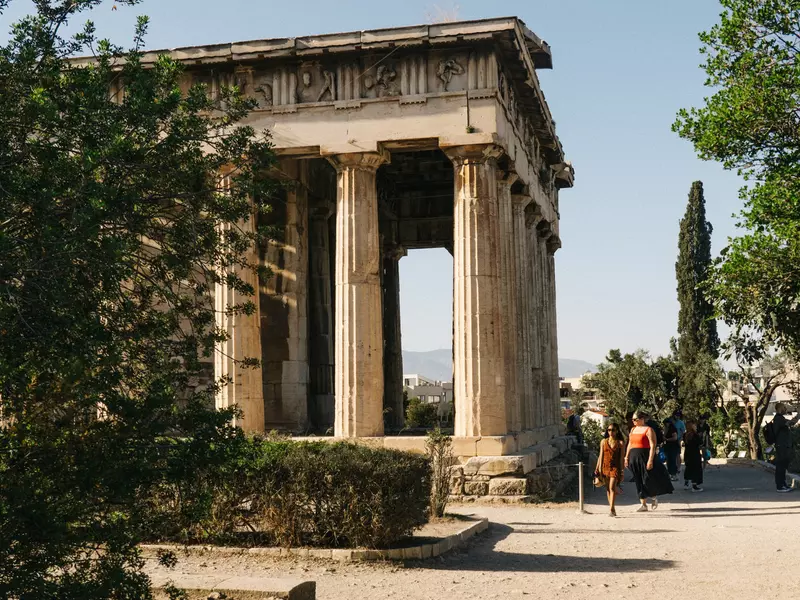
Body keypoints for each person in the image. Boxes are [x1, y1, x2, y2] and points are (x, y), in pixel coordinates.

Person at [625, 410, 674, 512]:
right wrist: (626, 457)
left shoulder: (648, 430)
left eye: (635, 419)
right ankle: (643, 504)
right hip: (634, 457)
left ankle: (653, 496)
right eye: (632, 419)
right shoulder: (633, 430)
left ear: (642, 419)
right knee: (638, 479)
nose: (633, 421)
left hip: (645, 456)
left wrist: (650, 460)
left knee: (648, 479)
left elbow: (652, 445)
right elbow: (630, 443)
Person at [596, 422, 626, 517]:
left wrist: (622, 472)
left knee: (612, 487)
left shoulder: (620, 443)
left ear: (617, 431)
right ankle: (611, 508)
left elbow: (621, 458)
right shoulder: (603, 442)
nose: (610, 432)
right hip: (604, 467)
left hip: (615, 468)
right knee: (608, 489)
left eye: (613, 430)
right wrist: (597, 469)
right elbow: (600, 456)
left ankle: (612, 509)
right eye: (609, 430)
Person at [772, 403, 800, 493]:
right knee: (780, 466)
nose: (786, 409)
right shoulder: (779, 419)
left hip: (782, 445)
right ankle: (780, 486)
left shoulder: (779, 419)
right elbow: (791, 423)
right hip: (781, 446)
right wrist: (799, 415)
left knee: (783, 466)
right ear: (780, 409)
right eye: (784, 408)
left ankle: (783, 484)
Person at [682, 420, 704, 492]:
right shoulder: (695, 435)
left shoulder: (685, 435)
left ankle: (686, 483)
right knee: (696, 469)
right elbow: (700, 443)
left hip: (687, 453)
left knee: (688, 468)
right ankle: (694, 486)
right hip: (695, 454)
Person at [663, 417, 680, 481]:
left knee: (672, 460)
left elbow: (675, 438)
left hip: (673, 446)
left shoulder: (673, 429)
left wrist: (667, 439)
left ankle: (674, 474)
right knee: (669, 461)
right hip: (667, 447)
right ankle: (670, 473)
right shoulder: (666, 429)